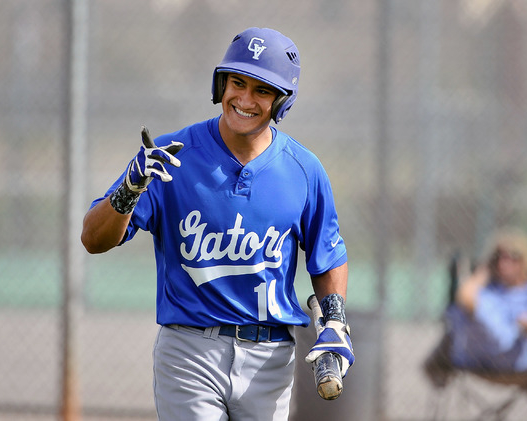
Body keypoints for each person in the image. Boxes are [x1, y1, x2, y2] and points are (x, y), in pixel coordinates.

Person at [81, 27, 354, 421]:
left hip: (270, 359)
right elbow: (93, 238)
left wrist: (334, 319)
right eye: (236, 82)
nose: (244, 99)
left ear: (282, 101)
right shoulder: (171, 156)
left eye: (262, 90)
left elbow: (327, 258)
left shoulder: (304, 170)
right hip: (190, 351)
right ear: (220, 83)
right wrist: (129, 188)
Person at [423, 227, 527, 388]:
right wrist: (482, 273)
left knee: (473, 313)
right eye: (498, 258)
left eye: (513, 257)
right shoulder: (488, 292)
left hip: (524, 360)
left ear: (525, 260)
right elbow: (464, 298)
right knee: (463, 310)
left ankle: (439, 359)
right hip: (481, 358)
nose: (503, 264)